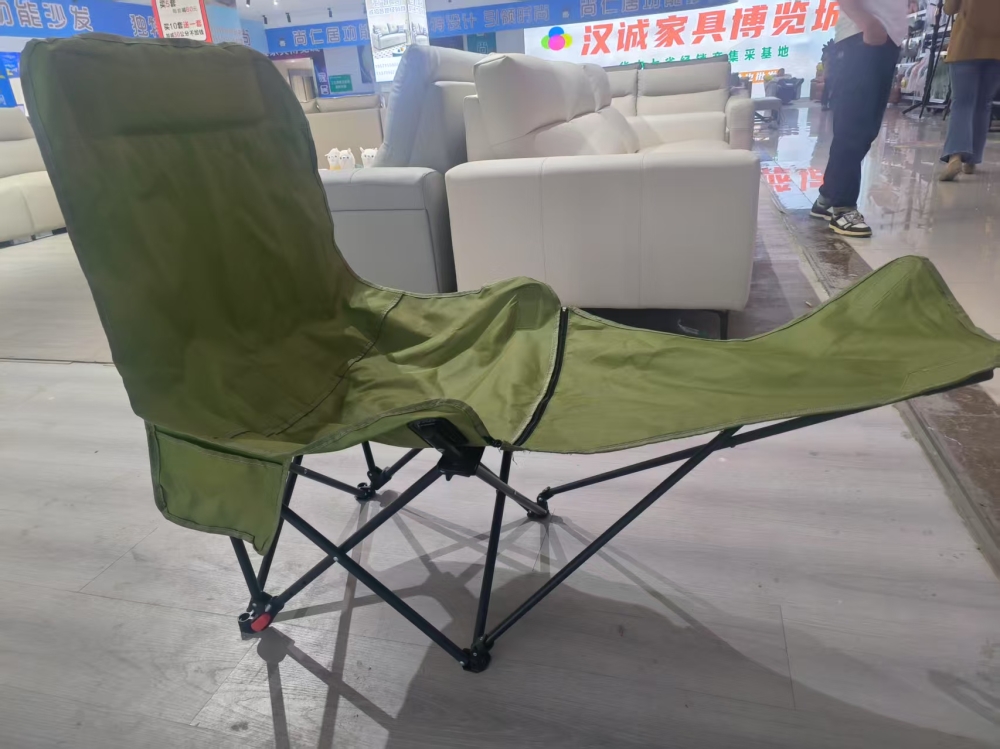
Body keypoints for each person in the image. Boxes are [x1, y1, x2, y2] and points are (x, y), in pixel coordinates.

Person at [811, 1, 908, 238]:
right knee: (854, 125)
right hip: (863, 35)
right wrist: (868, 23)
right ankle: (843, 207)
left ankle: (828, 195)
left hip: (884, 36)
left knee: (865, 128)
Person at [937, 0, 1000, 181]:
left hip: (966, 44)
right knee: (983, 104)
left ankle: (956, 156)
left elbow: (950, 8)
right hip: (997, 49)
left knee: (963, 102)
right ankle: (971, 161)